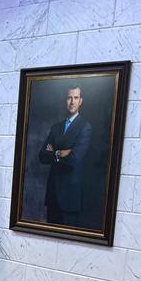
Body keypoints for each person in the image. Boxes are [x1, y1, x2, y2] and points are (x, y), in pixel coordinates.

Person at [39, 86, 92, 227]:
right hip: (53, 195)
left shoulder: (85, 127)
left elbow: (74, 158)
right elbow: (42, 156)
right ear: (65, 100)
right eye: (69, 97)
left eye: (75, 98)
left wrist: (54, 152)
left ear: (81, 101)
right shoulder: (56, 127)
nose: (72, 101)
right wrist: (60, 152)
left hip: (70, 198)